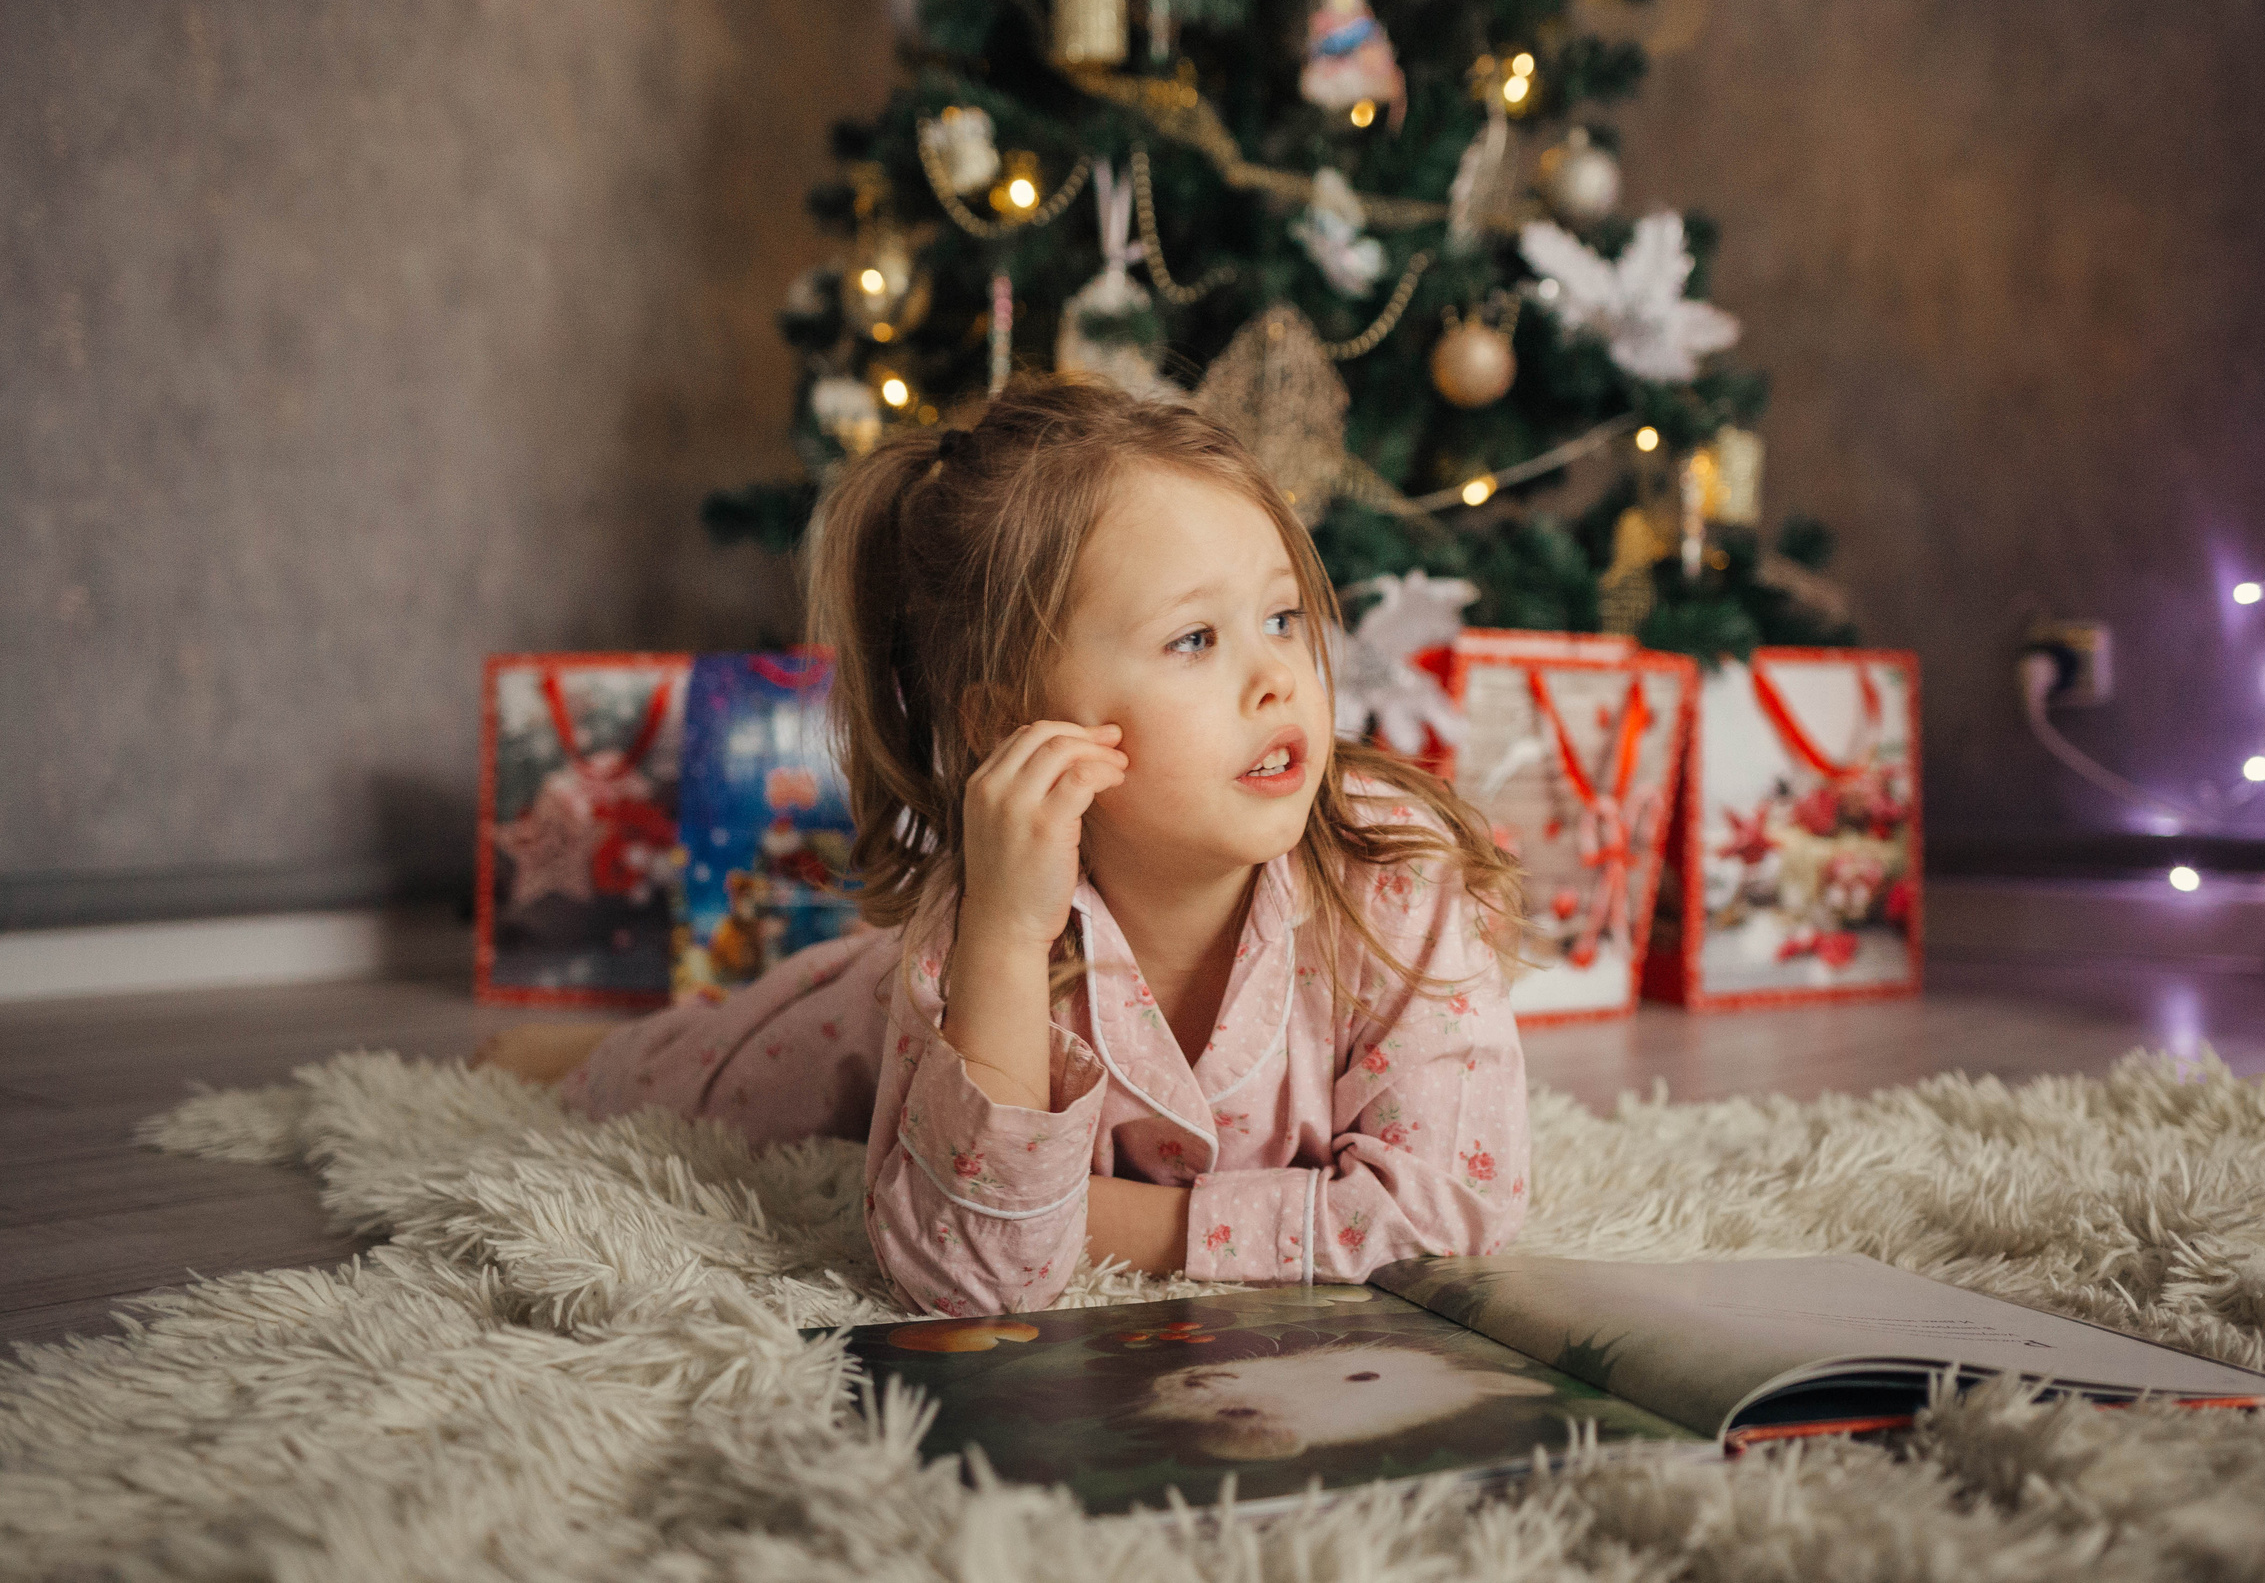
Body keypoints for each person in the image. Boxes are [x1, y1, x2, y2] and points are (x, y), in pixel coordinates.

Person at [476, 377, 1530, 1317]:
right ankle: (591, 1044)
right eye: (1194, 640)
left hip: (951, 1009)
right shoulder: (985, 920)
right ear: (1008, 721)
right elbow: (965, 1269)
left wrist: (1112, 1220)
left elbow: (1450, 1215)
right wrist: (1010, 933)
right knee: (718, 1067)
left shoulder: (1401, 878)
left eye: (1285, 618)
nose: (1277, 680)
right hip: (876, 1001)